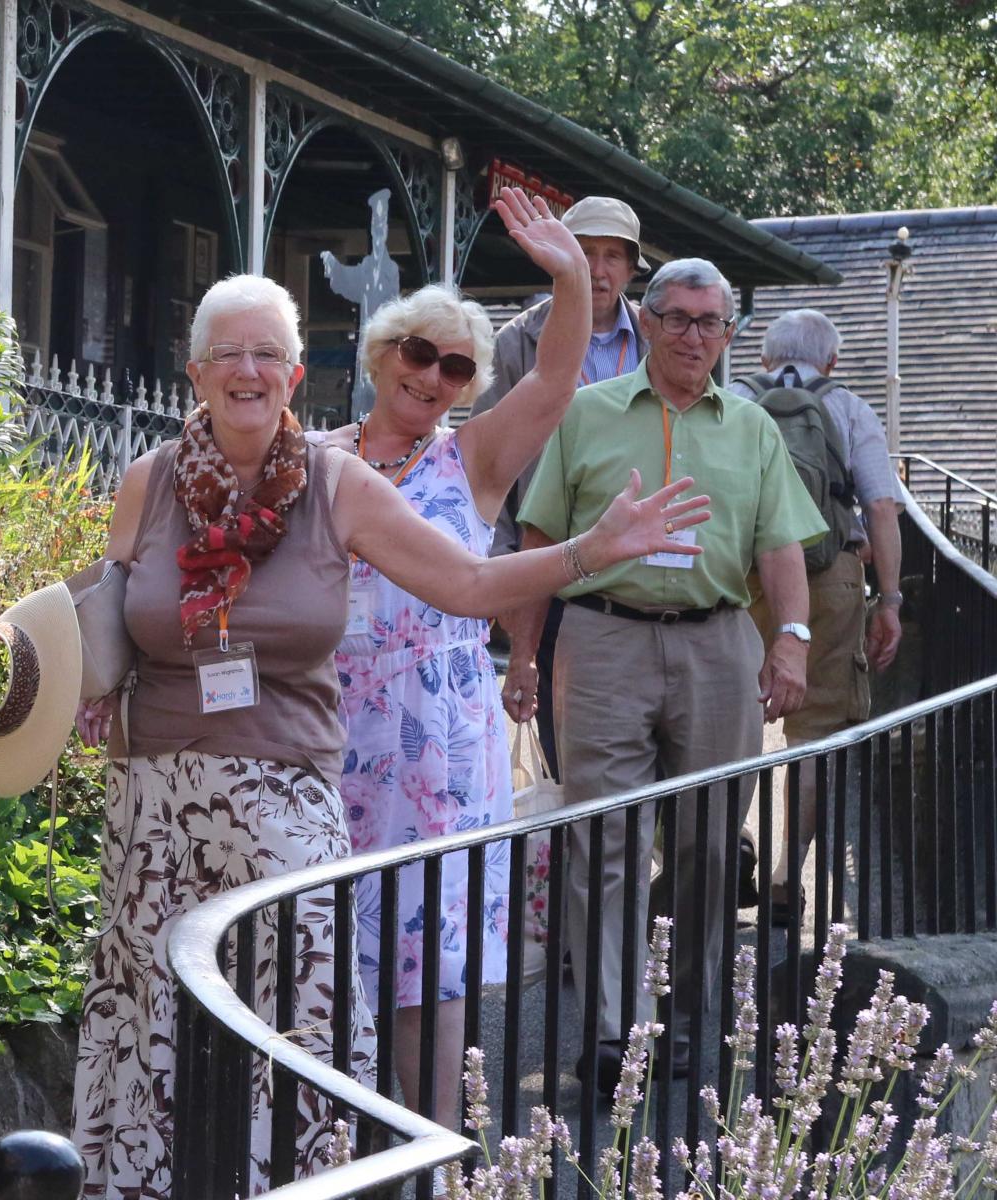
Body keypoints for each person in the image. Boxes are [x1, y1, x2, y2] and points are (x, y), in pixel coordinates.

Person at [68, 271, 709, 1193]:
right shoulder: (148, 482)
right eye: (229, 354)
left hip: (285, 797)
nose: (248, 370)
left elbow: (469, 586)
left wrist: (587, 552)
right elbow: (110, 607)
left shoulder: (336, 484)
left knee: (298, 1026)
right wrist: (67, 681)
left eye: (268, 355)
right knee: (151, 1021)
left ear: (294, 376)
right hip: (156, 807)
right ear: (195, 373)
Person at [504, 257, 827, 1096]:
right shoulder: (586, 413)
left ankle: (688, 1023)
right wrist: (527, 656)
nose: (693, 335)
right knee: (603, 840)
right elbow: (538, 543)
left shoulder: (753, 428)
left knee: (710, 846)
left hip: (718, 645)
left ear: (729, 334)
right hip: (603, 642)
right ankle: (615, 1038)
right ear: (645, 324)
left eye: (710, 322)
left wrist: (789, 640)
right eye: (677, 318)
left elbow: (781, 545)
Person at [325, 186, 590, 1130]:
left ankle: (430, 1163)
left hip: (438, 736)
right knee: (328, 946)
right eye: (418, 353)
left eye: (456, 367)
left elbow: (555, 384)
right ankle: (338, 1153)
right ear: (380, 352)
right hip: (332, 733)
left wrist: (568, 282)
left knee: (424, 959)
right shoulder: (314, 457)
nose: (432, 376)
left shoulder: (469, 460)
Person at [730, 309, 904, 916]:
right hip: (827, 577)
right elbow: (882, 508)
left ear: (763, 357)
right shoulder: (849, 408)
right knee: (815, 734)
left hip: (738, 579)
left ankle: (723, 858)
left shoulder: (732, 400)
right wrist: (890, 600)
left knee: (727, 726)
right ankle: (784, 878)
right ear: (831, 361)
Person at [476, 196, 653, 769]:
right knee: (567, 738)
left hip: (643, 561)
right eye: (584, 253)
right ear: (559, 257)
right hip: (545, 550)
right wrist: (501, 566)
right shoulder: (516, 343)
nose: (597, 270)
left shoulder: (660, 336)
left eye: (612, 256)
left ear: (631, 268)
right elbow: (493, 459)